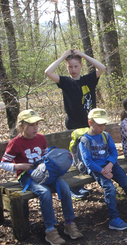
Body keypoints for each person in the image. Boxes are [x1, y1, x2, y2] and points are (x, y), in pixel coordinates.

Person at [0, 110, 83, 245]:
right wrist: (20, 166)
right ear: (21, 126)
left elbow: (45, 156)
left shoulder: (40, 138)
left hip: (44, 172)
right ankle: (50, 230)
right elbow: (3, 164)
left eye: (37, 124)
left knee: (65, 187)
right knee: (44, 192)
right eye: (32, 125)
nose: (36, 128)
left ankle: (69, 223)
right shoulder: (15, 143)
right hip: (26, 176)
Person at [45, 48, 106, 200]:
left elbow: (102, 68)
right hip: (73, 126)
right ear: (67, 68)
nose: (73, 69)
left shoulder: (88, 79)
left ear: (80, 66)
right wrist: (62, 57)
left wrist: (83, 55)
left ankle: (98, 179)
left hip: (90, 125)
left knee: (92, 154)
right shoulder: (65, 82)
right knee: (77, 156)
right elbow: (48, 72)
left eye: (76, 66)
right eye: (70, 67)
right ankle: (76, 187)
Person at [79, 108, 127, 230]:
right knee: (110, 189)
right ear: (90, 123)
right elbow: (88, 161)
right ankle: (114, 218)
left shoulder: (106, 136)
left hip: (110, 165)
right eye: (99, 125)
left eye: (104, 124)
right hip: (97, 169)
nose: (102, 127)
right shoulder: (85, 140)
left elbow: (113, 152)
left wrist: (110, 165)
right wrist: (102, 171)